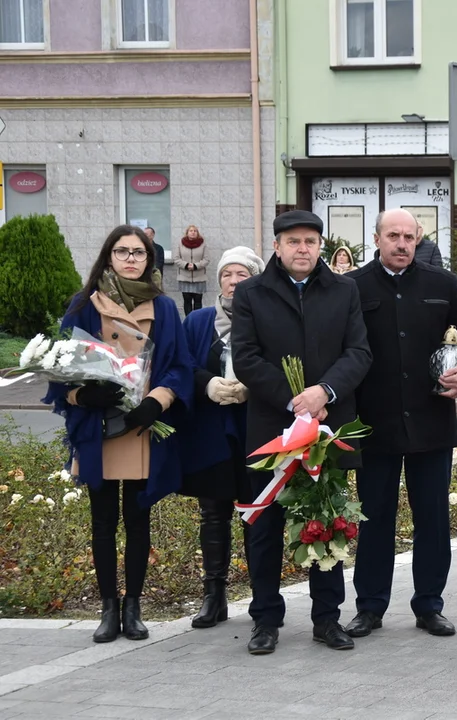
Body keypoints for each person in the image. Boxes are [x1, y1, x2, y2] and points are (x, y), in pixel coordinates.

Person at [232, 210, 373, 655]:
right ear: (276, 247)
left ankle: (327, 619)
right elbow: (246, 357)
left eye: (311, 241)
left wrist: (324, 392)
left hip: (327, 429)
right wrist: (294, 398)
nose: (302, 249)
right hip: (272, 428)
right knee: (266, 527)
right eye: (293, 241)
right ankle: (266, 620)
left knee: (325, 522)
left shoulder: (343, 289)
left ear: (321, 247)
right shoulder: (252, 293)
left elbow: (359, 352)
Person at [43, 224, 193, 644]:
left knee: (138, 519)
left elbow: (179, 366)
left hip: (140, 425)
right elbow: (58, 366)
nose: (131, 259)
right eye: (123, 251)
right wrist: (79, 393)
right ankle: (109, 608)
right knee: (103, 520)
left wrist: (157, 400)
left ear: (150, 259)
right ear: (109, 256)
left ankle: (134, 606)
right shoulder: (83, 306)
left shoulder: (163, 308)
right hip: (99, 427)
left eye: (139, 253)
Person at [343, 208, 457, 640]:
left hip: (431, 422)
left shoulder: (441, 284)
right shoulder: (353, 287)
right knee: (375, 520)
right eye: (393, 236)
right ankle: (369, 606)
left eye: (409, 236)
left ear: (418, 239)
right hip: (374, 425)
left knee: (433, 520)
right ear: (377, 238)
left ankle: (429, 605)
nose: (402, 243)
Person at [178, 246, 265, 629]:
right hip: (210, 431)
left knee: (254, 514)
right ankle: (214, 595)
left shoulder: (266, 318)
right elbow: (180, 365)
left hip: (252, 431)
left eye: (242, 275)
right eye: (227, 274)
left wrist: (253, 386)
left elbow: (281, 364)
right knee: (212, 514)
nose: (233, 282)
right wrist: (207, 384)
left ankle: (262, 595)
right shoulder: (198, 321)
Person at [177, 225, 208, 315]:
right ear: (187, 233)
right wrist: (186, 265)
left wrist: (196, 266)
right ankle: (188, 321)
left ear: (197, 233)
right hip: (184, 277)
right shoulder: (180, 244)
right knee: (187, 301)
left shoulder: (203, 244)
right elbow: (176, 258)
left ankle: (197, 322)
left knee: (198, 302)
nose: (193, 232)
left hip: (199, 277)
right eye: (191, 230)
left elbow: (207, 259)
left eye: (195, 231)